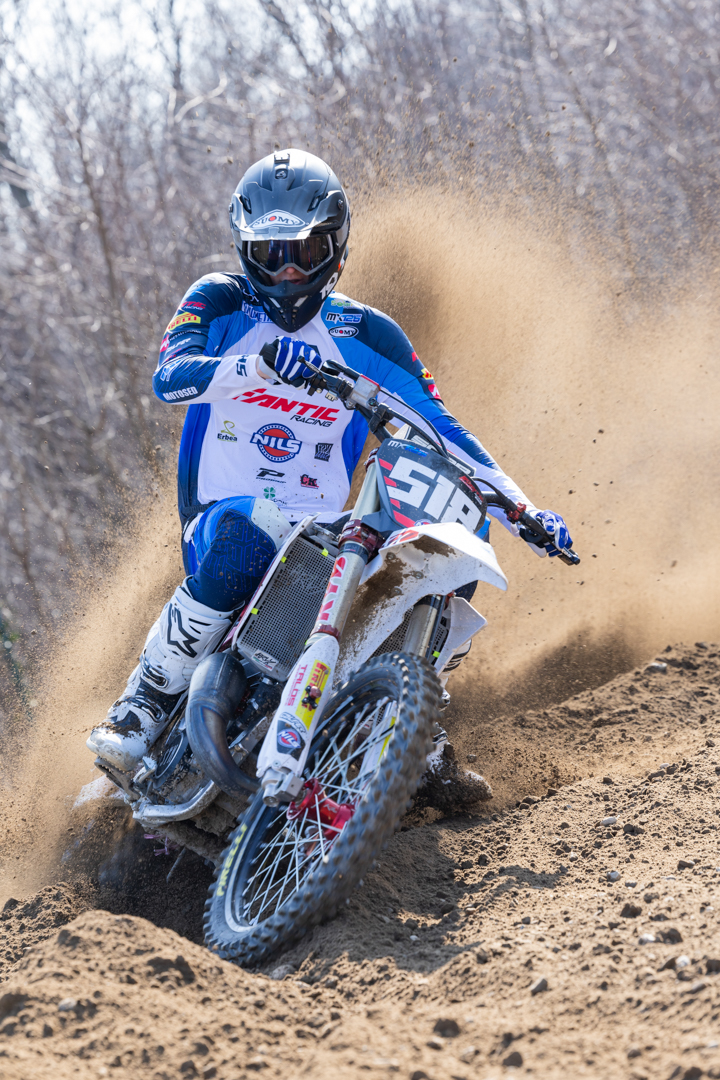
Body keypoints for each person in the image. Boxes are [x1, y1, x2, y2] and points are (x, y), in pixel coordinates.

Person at [87, 148, 573, 777]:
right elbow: (170, 377)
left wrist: (521, 509)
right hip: (222, 519)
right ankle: (143, 704)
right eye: (270, 253)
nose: (287, 272)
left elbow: (440, 425)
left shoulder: (367, 333)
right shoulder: (219, 301)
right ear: (244, 249)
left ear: (336, 246)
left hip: (323, 530)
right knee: (250, 530)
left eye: (305, 251)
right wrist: (258, 366)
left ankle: (409, 720)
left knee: (442, 544)